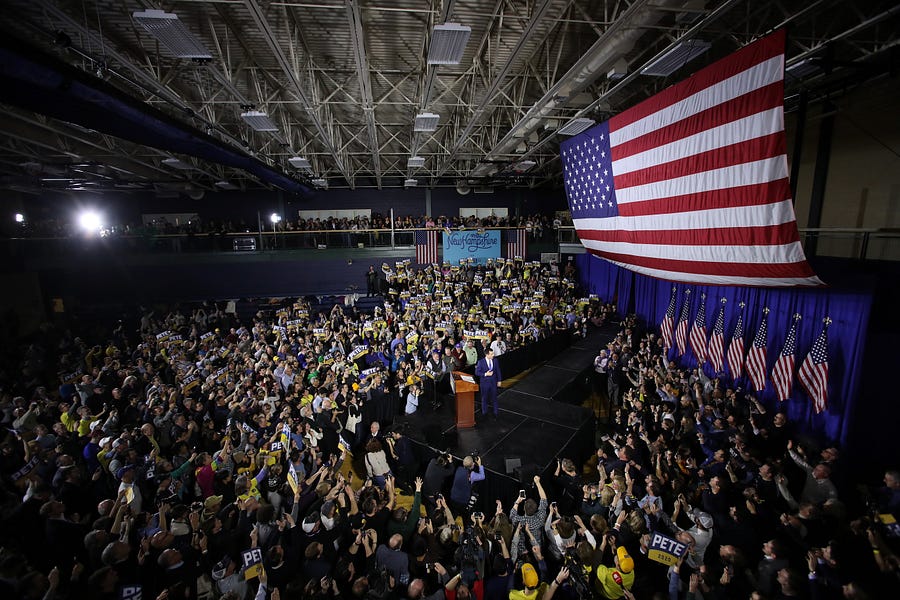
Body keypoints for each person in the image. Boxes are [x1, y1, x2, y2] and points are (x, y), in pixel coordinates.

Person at [475, 348, 502, 419]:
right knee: (484, 398)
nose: (493, 355)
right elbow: (477, 372)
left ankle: (495, 413)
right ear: (487, 355)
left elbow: (498, 370)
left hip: (493, 382)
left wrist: (499, 380)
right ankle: (485, 413)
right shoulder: (481, 362)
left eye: (493, 353)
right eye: (491, 354)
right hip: (484, 383)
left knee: (494, 398)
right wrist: (485, 374)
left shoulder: (495, 360)